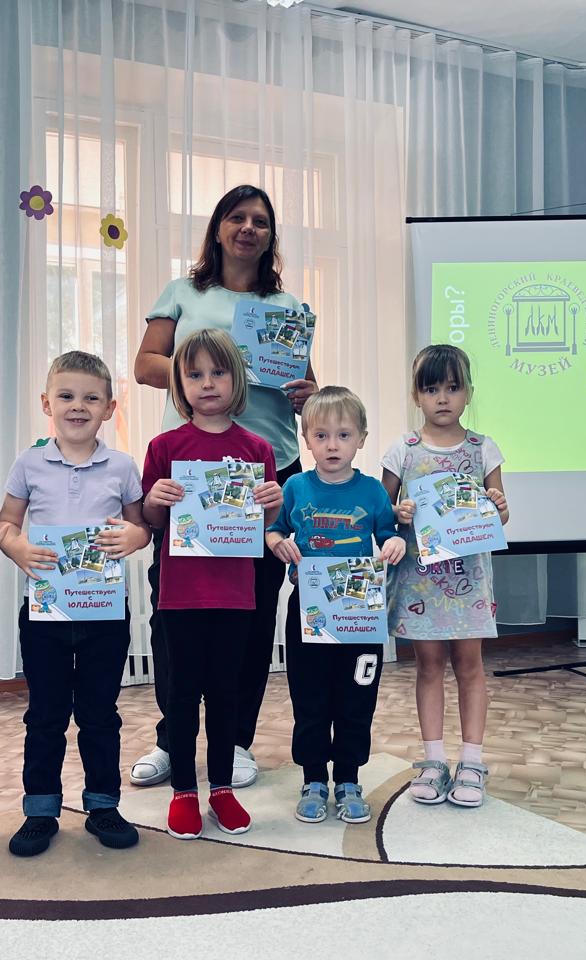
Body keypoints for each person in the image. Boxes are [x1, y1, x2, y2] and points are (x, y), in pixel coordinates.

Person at [132, 184, 317, 790]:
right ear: (218, 228)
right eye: (237, 217)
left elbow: (306, 384)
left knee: (253, 613)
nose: (248, 228)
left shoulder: (286, 305)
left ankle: (234, 740)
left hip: (269, 467)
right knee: (175, 612)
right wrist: (212, 364)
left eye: (260, 221)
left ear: (270, 235)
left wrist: (308, 393)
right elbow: (145, 364)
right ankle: (173, 738)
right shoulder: (183, 292)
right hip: (190, 470)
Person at [0, 351, 151, 856]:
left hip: (105, 611)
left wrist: (135, 537)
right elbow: (6, 524)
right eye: (66, 396)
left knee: (100, 712)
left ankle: (103, 805)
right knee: (45, 714)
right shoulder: (29, 462)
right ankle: (40, 810)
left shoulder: (122, 466)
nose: (78, 406)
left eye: (91, 398)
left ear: (109, 408)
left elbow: (140, 526)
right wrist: (18, 548)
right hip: (45, 612)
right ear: (47, 403)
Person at [141, 329, 282, 839]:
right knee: (181, 696)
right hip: (180, 596)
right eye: (194, 374)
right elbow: (150, 521)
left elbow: (265, 527)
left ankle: (221, 788)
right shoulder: (164, 447)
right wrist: (155, 499)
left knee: (225, 695)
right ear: (180, 383)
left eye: (218, 372)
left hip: (236, 595)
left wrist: (273, 506)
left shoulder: (257, 449)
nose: (207, 383)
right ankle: (184, 791)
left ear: (236, 379)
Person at [266, 387, 406, 824]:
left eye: (343, 435)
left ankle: (348, 779)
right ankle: (313, 779)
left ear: (361, 439)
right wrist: (277, 543)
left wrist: (395, 542)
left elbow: (388, 534)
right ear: (305, 438)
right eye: (321, 435)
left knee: (356, 700)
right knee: (309, 700)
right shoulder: (294, 487)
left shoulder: (373, 491)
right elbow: (273, 529)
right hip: (307, 614)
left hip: (359, 616)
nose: (332, 445)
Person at [381, 345, 510, 808]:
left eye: (453, 388)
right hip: (420, 578)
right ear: (416, 395)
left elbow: (499, 513)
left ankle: (471, 761)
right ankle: (433, 761)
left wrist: (499, 507)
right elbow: (382, 512)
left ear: (468, 392)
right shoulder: (402, 450)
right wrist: (398, 512)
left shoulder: (483, 448)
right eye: (431, 388)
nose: (442, 398)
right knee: (429, 665)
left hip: (468, 579)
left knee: (470, 665)